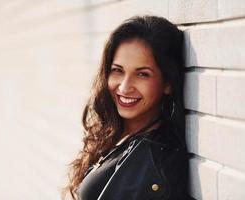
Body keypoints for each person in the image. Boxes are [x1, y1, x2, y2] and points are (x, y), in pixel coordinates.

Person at [63, 15, 192, 200]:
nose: (124, 87)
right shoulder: (121, 135)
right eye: (118, 70)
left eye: (142, 74)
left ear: (168, 83)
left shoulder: (153, 161)